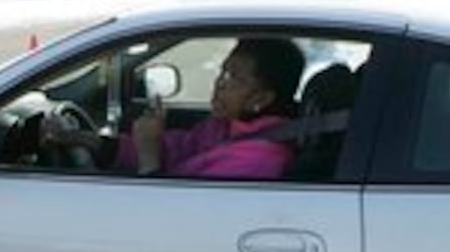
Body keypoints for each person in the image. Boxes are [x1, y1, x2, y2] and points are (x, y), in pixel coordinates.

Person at [45, 37, 305, 180]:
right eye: (222, 72)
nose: (218, 84)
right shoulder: (223, 129)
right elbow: (173, 150)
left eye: (233, 78)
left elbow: (172, 217)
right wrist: (82, 139)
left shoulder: (258, 160)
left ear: (260, 98)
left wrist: (148, 153)